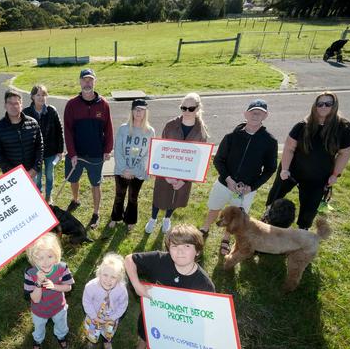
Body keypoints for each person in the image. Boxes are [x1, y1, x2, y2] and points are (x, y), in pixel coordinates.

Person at [266, 91, 350, 230]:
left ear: (334, 106)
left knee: (310, 205)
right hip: (292, 170)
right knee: (276, 194)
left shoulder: (344, 128)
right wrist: (284, 169)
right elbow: (289, 148)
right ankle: (268, 218)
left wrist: (335, 174)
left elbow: (344, 153)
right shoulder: (303, 125)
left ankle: (303, 229)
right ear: (315, 106)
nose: (323, 106)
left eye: (328, 103)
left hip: (318, 175)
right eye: (320, 104)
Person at [199, 99, 278, 256]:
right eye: (253, 111)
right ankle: (204, 229)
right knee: (214, 207)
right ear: (245, 114)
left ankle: (226, 239)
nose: (255, 115)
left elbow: (270, 169)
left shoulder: (270, 141)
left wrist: (251, 187)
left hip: (246, 190)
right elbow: (218, 160)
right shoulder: (231, 136)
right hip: (224, 183)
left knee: (235, 216)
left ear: (265, 115)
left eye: (260, 112)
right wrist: (228, 179)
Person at [124, 225, 215, 349]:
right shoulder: (159, 260)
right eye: (174, 246)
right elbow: (130, 260)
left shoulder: (204, 285)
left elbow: (205, 318)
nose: (180, 251)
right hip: (151, 318)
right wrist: (136, 285)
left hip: (178, 330)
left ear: (197, 251)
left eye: (187, 246)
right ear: (169, 249)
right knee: (144, 338)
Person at [145, 93, 209, 234]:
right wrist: (166, 174)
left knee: (175, 196)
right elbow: (160, 149)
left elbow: (199, 160)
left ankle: (167, 218)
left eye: (191, 108)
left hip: (184, 175)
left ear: (198, 109)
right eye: (183, 108)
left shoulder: (201, 131)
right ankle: (153, 218)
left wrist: (184, 181)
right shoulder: (170, 125)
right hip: (165, 171)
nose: (186, 111)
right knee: (159, 195)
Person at [63, 68, 114, 228]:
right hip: (76, 154)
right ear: (79, 82)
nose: (87, 83)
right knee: (73, 180)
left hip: (95, 154)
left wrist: (107, 150)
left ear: (94, 82)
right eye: (84, 79)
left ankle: (96, 213)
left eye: (90, 79)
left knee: (95, 184)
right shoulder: (72, 105)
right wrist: (72, 153)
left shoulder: (103, 104)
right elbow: (68, 131)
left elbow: (109, 129)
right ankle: (75, 199)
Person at [108, 99, 155, 231]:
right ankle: (116, 217)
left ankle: (130, 219)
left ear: (146, 112)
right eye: (136, 109)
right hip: (122, 170)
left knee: (133, 197)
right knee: (119, 195)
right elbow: (117, 150)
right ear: (132, 111)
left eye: (141, 110)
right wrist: (124, 169)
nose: (138, 112)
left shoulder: (150, 131)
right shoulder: (123, 128)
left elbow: (148, 153)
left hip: (138, 171)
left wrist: (134, 170)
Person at [24, 233, 75, 349]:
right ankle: (38, 340)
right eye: (40, 258)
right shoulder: (30, 273)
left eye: (49, 257)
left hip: (58, 307)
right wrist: (38, 283)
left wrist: (54, 286)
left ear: (56, 255)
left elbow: (68, 287)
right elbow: (35, 299)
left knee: (61, 324)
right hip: (39, 310)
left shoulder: (62, 267)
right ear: (33, 258)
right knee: (39, 326)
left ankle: (61, 336)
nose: (45, 262)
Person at [23, 85, 64, 204]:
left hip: (51, 151)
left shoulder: (52, 110)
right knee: (38, 177)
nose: (41, 98)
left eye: (44, 95)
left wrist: (60, 150)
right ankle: (39, 196)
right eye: (38, 95)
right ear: (32, 97)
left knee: (49, 175)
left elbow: (59, 131)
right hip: (35, 153)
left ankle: (49, 196)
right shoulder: (26, 112)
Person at [0, 89, 43, 177]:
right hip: (11, 176)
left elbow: (40, 147)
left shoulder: (33, 123)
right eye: (10, 103)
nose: (13, 106)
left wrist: (35, 169)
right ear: (5, 105)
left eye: (16, 103)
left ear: (21, 105)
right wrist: (12, 172)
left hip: (32, 173)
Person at [81, 252, 129, 349]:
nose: (108, 280)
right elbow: (87, 302)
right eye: (105, 275)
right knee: (92, 331)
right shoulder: (91, 286)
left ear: (119, 278)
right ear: (99, 273)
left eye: (113, 277)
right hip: (93, 316)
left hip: (111, 317)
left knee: (109, 331)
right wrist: (94, 316)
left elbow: (123, 305)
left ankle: (107, 340)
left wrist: (114, 317)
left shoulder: (121, 289)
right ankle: (92, 341)